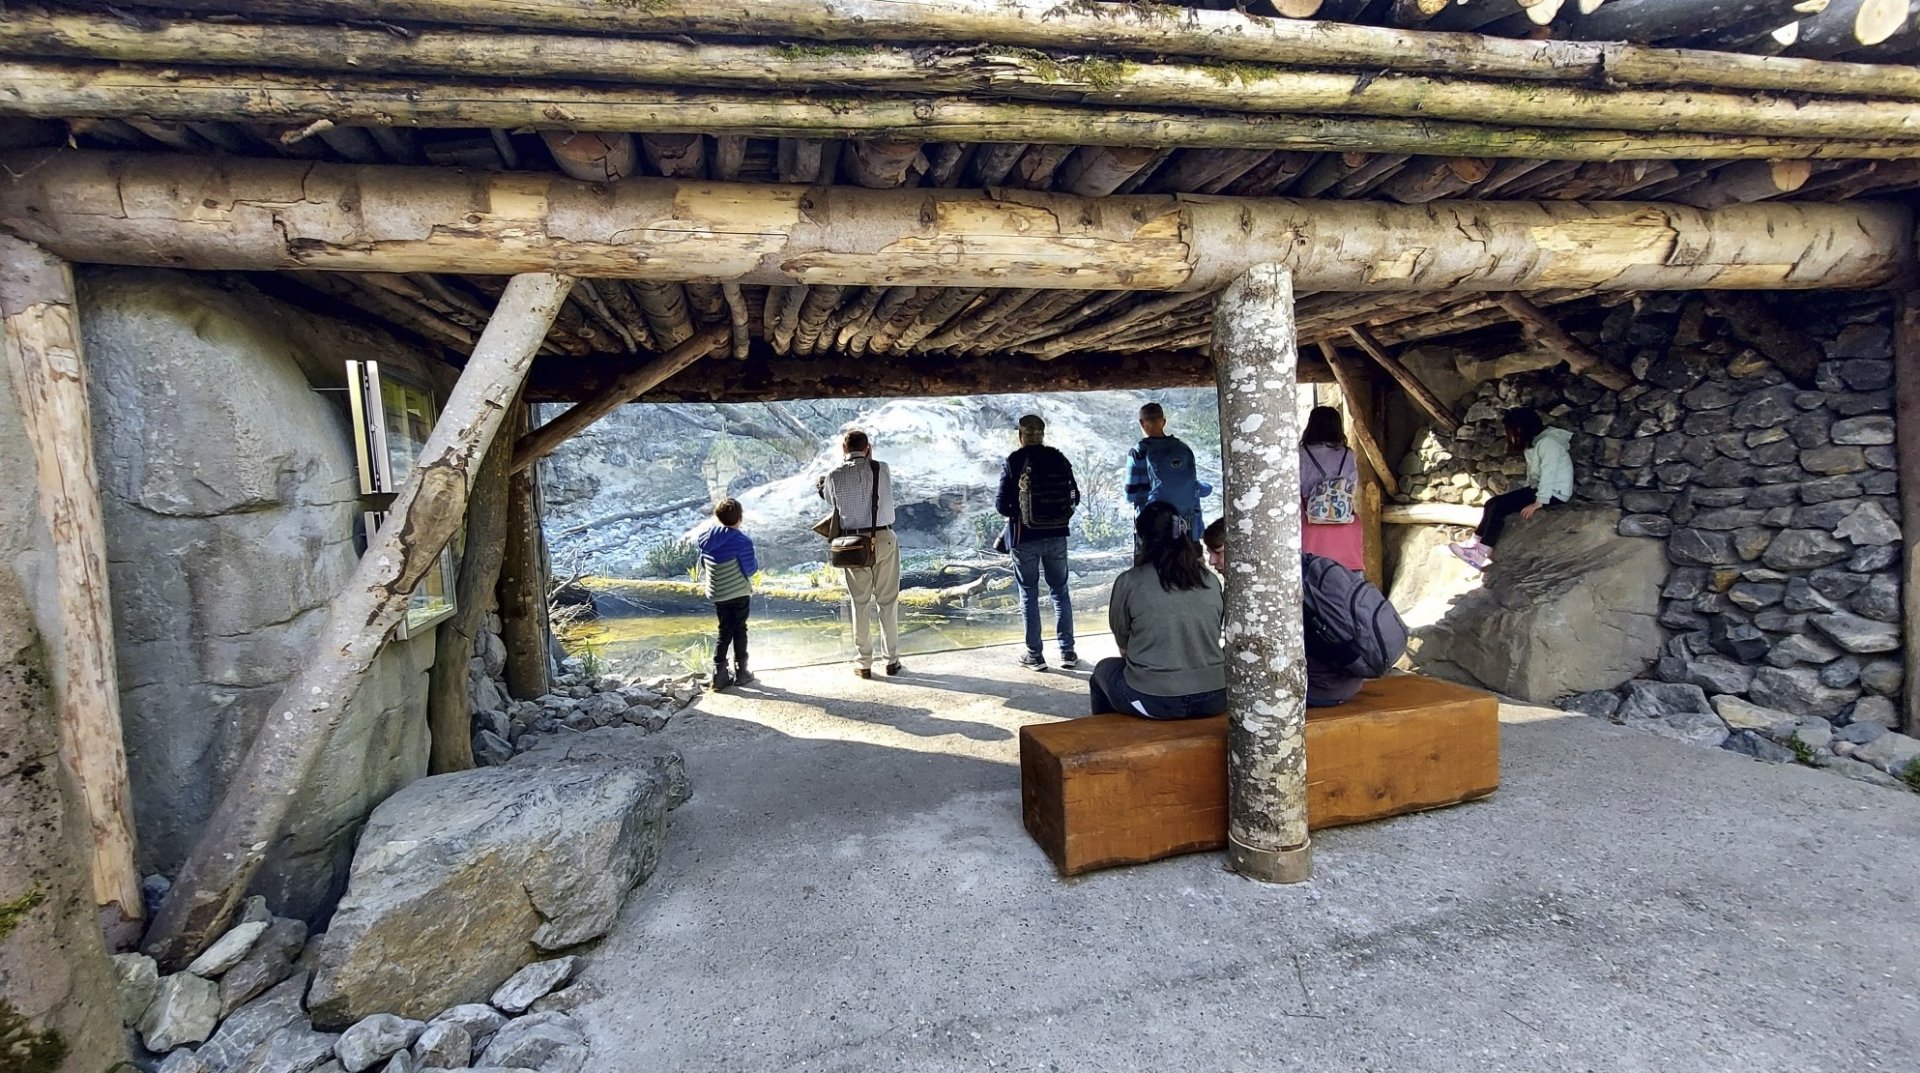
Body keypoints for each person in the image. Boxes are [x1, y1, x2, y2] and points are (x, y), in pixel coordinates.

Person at [1201, 520, 1408, 708]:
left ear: (1243, 546)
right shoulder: (1304, 565)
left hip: (1318, 690)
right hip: (1349, 681)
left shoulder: (1265, 591)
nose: (1211, 561)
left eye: (1218, 552)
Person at [1091, 502, 1227, 720]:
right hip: (1216, 697)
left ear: (1142, 539)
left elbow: (1123, 641)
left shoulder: (1130, 582)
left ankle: (1109, 746)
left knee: (1102, 672)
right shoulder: (1210, 580)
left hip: (1153, 700)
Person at [995, 414, 1081, 670]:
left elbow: (1001, 505)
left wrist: (1018, 511)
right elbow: (1075, 496)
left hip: (1025, 538)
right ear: (1042, 434)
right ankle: (1067, 652)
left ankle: (1035, 655)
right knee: (1060, 592)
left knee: (1029, 594)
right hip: (1057, 536)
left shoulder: (1014, 461)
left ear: (1021, 436)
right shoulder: (1058, 457)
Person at [819, 428, 902, 678]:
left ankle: (864, 663)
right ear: (868, 448)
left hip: (853, 544)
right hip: (884, 537)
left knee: (860, 603)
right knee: (888, 602)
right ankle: (891, 660)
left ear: (844, 449)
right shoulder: (882, 468)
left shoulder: (833, 476)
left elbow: (830, 503)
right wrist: (870, 458)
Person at [1449, 408, 1573, 571]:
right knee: (1491, 502)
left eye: (1513, 430)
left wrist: (1539, 502)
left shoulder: (1548, 444)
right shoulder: (1536, 443)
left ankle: (1481, 553)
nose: (1512, 434)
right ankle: (1474, 543)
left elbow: (1549, 474)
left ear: (1523, 428)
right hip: (1541, 489)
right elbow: (1536, 473)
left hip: (1555, 493)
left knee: (1500, 508)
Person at [692, 497, 758, 690]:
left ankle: (719, 674)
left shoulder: (706, 538)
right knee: (739, 629)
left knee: (724, 631)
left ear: (718, 517)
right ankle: (742, 672)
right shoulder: (741, 541)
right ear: (740, 518)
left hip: (718, 593)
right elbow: (750, 569)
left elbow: (704, 564)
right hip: (738, 593)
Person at [1124, 402, 1205, 546]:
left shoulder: (1138, 451)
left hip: (1152, 526)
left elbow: (1130, 495)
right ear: (1164, 422)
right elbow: (1193, 487)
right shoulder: (1183, 448)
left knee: (1151, 567)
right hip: (1184, 525)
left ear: (1142, 423)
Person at [1298, 405, 1365, 572]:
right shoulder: (1347, 454)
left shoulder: (1300, 453)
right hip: (1343, 519)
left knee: (1309, 574)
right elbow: (1351, 486)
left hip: (1309, 519)